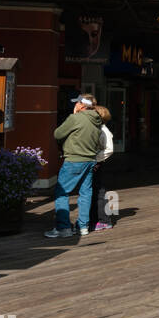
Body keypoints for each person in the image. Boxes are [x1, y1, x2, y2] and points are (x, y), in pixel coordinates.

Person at [45, 94, 104, 239]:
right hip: (90, 160)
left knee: (62, 192)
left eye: (76, 103)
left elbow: (57, 134)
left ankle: (63, 228)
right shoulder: (96, 120)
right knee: (85, 193)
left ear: (82, 105)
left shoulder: (75, 118)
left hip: (74, 159)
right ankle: (83, 226)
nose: (75, 105)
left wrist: (74, 115)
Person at [92, 105, 116, 231]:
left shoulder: (103, 130)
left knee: (99, 191)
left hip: (98, 163)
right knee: (96, 191)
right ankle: (97, 219)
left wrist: (95, 160)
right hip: (97, 162)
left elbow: (109, 150)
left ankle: (104, 220)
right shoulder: (98, 129)